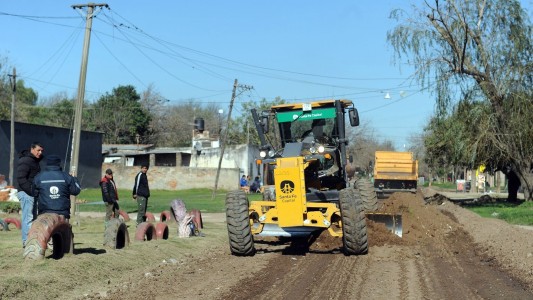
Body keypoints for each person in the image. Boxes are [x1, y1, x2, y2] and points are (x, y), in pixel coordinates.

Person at [32, 155, 81, 220]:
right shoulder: (66, 177)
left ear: (47, 164)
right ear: (59, 163)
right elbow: (76, 191)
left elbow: (34, 193)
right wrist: (74, 178)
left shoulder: (39, 177)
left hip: (44, 212)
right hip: (62, 213)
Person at [17, 142, 44, 247]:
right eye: (38, 150)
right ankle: (26, 242)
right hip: (26, 193)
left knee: (33, 219)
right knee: (27, 219)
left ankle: (31, 241)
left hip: (31, 193)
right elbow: (21, 178)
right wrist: (31, 191)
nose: (40, 152)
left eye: (42, 151)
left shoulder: (34, 161)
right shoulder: (26, 160)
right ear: (32, 149)